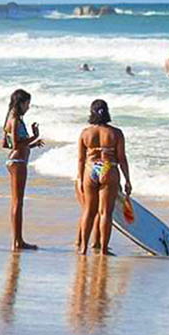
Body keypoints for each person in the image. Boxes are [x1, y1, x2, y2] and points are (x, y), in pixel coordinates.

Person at [75, 99, 132, 255]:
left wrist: (80, 178)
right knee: (105, 212)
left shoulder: (85, 133)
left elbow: (80, 159)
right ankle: (103, 249)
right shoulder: (116, 133)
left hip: (90, 169)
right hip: (108, 168)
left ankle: (83, 248)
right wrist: (127, 179)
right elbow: (121, 158)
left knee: (88, 211)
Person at [3, 88, 43, 251]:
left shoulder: (12, 119)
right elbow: (16, 144)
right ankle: (18, 241)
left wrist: (32, 144)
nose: (28, 107)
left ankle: (18, 240)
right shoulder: (15, 120)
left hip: (16, 160)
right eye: (27, 104)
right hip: (18, 162)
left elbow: (6, 144)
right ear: (20, 103)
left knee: (17, 202)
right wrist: (34, 136)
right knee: (18, 203)